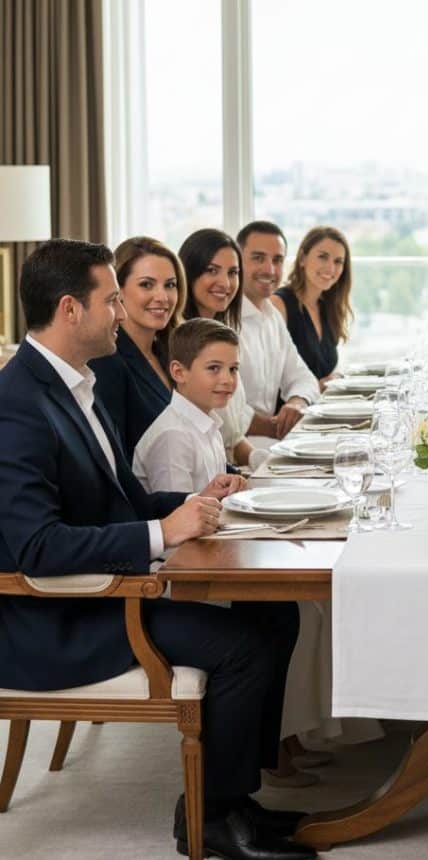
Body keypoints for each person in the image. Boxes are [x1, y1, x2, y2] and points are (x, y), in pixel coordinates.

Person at [0, 239, 313, 860]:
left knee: (277, 611)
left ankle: (235, 797)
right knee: (243, 647)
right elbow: (34, 547)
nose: (122, 310)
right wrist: (162, 534)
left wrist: (190, 501)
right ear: (70, 309)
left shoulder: (78, 383)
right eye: (112, 298)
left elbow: (115, 496)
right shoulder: (18, 405)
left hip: (94, 594)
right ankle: (210, 819)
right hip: (55, 619)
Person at [90, 237, 185, 460]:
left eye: (170, 285)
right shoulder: (106, 361)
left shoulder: (169, 351)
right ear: (118, 290)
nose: (162, 297)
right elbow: (116, 459)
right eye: (146, 284)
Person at [134, 318, 243, 494]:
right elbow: (176, 511)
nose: (228, 380)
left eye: (233, 369)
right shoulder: (173, 436)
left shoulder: (209, 424)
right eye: (214, 368)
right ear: (179, 372)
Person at [179, 228, 255, 467]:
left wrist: (260, 460)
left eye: (233, 273)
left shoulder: (224, 337)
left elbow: (232, 439)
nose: (225, 283)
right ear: (189, 274)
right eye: (212, 270)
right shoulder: (181, 344)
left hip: (230, 469)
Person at [236, 221, 318, 440]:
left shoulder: (272, 315)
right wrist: (279, 429)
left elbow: (303, 376)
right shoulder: (225, 320)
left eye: (277, 260)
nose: (269, 270)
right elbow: (227, 411)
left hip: (271, 442)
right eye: (258, 258)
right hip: (238, 449)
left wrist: (297, 402)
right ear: (238, 261)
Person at [271, 226, 353, 390]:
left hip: (319, 408)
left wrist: (334, 379)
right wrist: (318, 387)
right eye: (323, 257)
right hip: (289, 412)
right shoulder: (279, 305)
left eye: (338, 261)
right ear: (302, 258)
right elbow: (270, 380)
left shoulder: (328, 307)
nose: (330, 268)